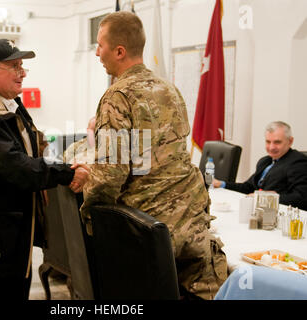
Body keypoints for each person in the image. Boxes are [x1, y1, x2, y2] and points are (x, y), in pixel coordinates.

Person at [80, 11, 227, 300]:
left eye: (101, 45)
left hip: (148, 232)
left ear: (119, 51)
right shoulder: (169, 89)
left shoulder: (118, 96)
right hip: (191, 225)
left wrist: (88, 212)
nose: (97, 52)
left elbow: (111, 173)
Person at [0, 39, 89, 300]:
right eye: (14, 66)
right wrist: (65, 173)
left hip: (11, 223)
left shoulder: (6, 99)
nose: (22, 73)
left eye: (22, 66)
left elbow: (31, 144)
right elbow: (11, 164)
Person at [213, 121, 307, 210]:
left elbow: (301, 197)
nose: (271, 147)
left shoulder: (298, 162)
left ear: (290, 141)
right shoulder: (265, 161)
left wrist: (263, 198)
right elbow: (248, 187)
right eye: (268, 142)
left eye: (277, 142)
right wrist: (221, 184)